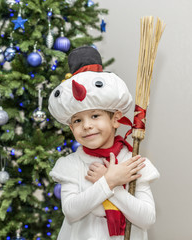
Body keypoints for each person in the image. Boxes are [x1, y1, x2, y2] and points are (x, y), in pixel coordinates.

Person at [48, 46, 160, 240]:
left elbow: (147, 218)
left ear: (116, 118)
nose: (87, 126)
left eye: (95, 115)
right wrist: (108, 181)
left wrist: (114, 185)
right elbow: (72, 211)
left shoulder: (134, 162)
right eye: (77, 121)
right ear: (71, 128)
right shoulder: (70, 165)